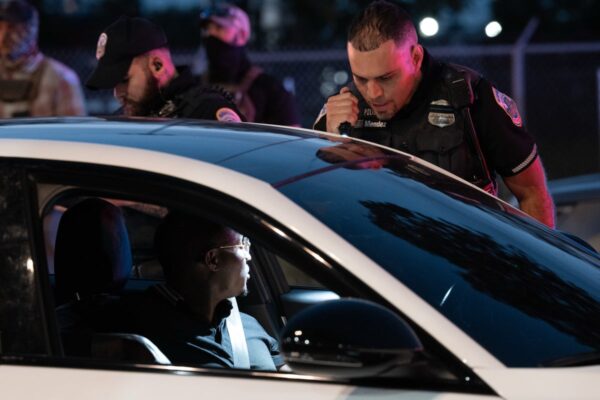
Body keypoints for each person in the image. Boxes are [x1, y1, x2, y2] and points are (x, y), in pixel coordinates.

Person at [313, 0, 555, 228]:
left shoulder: (469, 97)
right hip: (375, 254)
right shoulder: (339, 113)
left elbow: (532, 192)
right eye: (361, 79)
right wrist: (332, 143)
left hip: (467, 249)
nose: (373, 93)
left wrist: (539, 259)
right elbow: (314, 208)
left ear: (416, 57)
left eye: (386, 78)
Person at [125, 212, 284, 371]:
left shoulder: (247, 324)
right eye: (242, 245)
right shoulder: (136, 327)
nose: (248, 256)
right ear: (213, 259)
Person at [86, 15, 243, 121]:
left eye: (124, 79)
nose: (117, 93)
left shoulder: (205, 113)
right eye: (113, 83)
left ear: (157, 65)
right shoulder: (124, 118)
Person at [198, 3, 300, 126]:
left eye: (219, 28)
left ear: (241, 35)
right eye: (207, 29)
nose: (211, 34)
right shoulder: (195, 87)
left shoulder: (270, 90)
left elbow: (291, 135)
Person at [0, 0, 86, 118]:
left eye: (12, 28)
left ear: (30, 29)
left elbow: (74, 128)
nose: (3, 36)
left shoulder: (62, 78)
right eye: (0, 27)